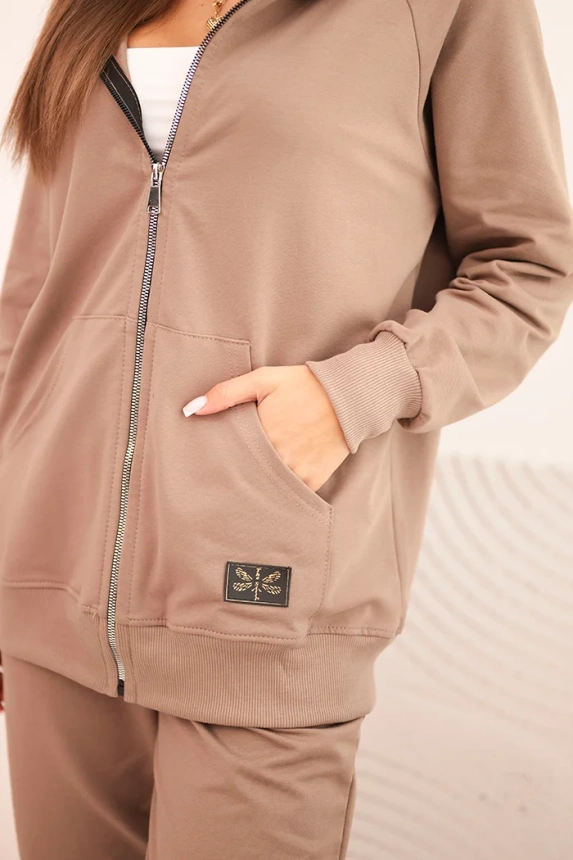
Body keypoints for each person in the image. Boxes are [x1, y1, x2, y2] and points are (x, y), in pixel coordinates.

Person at [0, 0, 572, 857]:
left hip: (265, 594)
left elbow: (526, 267)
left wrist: (351, 394)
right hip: (47, 583)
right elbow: (32, 301)